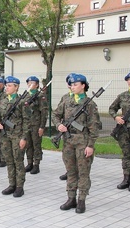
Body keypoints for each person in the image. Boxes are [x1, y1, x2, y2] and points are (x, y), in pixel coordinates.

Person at [52, 73, 100, 213]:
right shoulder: (67, 100)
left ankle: (81, 200)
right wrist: (58, 125)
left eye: (75, 84)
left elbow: (94, 127)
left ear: (83, 86)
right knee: (71, 171)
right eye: (71, 85)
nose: (72, 87)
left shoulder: (90, 104)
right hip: (68, 141)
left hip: (82, 142)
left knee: (83, 172)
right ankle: (71, 198)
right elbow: (55, 114)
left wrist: (90, 145)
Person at [0, 76, 30, 197]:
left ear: (16, 87)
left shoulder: (22, 102)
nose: (6, 88)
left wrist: (24, 138)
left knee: (18, 161)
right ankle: (11, 184)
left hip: (17, 136)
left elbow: (27, 121)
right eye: (6, 85)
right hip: (5, 136)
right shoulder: (3, 101)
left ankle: (20, 186)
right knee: (9, 161)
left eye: (9, 86)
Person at [24, 76, 48, 174]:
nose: (30, 84)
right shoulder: (25, 95)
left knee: (36, 144)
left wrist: (42, 126)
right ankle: (29, 163)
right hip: (27, 125)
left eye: (32, 83)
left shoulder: (40, 96)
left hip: (36, 124)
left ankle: (36, 164)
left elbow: (44, 113)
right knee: (28, 144)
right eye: (28, 83)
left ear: (37, 85)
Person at [58, 73, 75, 181]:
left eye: (72, 83)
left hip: (79, 133)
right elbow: (58, 113)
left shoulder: (85, 100)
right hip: (66, 130)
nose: (70, 86)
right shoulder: (65, 97)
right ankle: (69, 171)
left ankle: (75, 172)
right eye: (69, 83)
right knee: (66, 154)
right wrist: (59, 125)